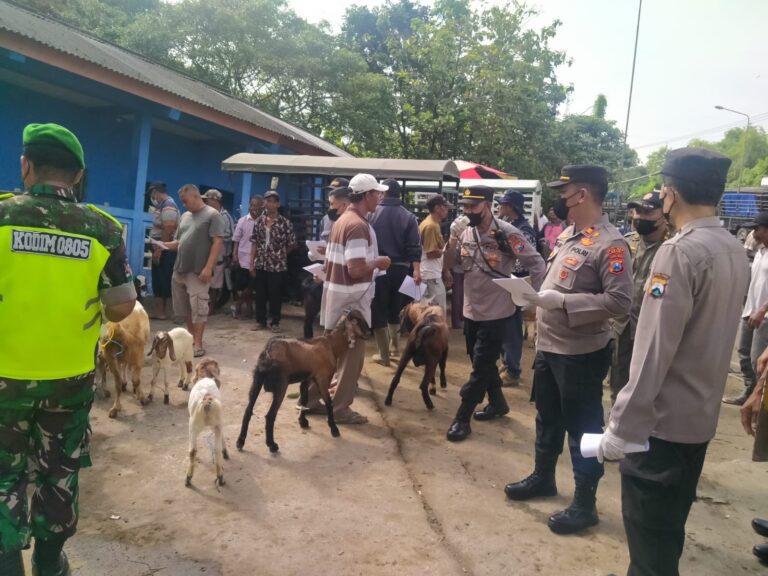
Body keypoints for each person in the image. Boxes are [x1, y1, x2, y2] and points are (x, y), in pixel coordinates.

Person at [601, 148, 749, 575]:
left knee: (650, 546)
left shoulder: (677, 253)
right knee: (666, 535)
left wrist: (621, 428)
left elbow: (651, 351)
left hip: (660, 431)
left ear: (669, 194)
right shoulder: (733, 249)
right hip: (698, 422)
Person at [0, 123, 137, 576]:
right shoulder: (104, 229)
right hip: (70, 380)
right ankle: (49, 561)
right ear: (77, 175)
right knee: (58, 471)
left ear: (26, 165)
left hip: (3, 380)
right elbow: (121, 306)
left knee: (4, 471)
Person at [505, 165, 633, 535]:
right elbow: (553, 287)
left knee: (583, 429)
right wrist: (532, 300)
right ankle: (543, 478)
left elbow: (621, 301)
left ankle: (585, 503)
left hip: (580, 352)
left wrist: (561, 304)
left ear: (581, 195)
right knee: (547, 417)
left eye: (564, 192)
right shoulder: (568, 237)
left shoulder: (611, 243)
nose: (559, 199)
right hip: (550, 346)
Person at [443, 185, 545, 442]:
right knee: (481, 362)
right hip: (471, 309)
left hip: (498, 310)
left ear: (488, 204)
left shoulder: (507, 233)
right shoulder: (464, 231)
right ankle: (498, 403)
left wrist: (532, 297)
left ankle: (462, 418)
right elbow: (451, 265)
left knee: (480, 367)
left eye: (473, 206)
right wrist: (452, 240)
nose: (468, 212)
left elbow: (537, 263)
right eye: (464, 207)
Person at [305, 173, 391, 424]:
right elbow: (355, 269)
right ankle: (341, 408)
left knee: (328, 353)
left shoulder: (343, 221)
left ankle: (310, 399)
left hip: (338, 298)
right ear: (366, 196)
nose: (379, 198)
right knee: (351, 356)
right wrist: (379, 262)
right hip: (351, 304)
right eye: (376, 193)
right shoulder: (357, 225)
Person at [609, 191, 668, 402]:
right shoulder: (626, 242)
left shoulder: (672, 248)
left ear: (664, 214)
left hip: (651, 328)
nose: (640, 217)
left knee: (645, 386)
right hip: (621, 325)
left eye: (648, 212)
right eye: (638, 211)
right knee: (618, 378)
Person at [368, 178, 422, 366]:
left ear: (383, 193)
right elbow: (414, 247)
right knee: (396, 308)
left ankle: (383, 355)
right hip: (401, 270)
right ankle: (395, 348)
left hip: (378, 269)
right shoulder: (409, 217)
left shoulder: (371, 215)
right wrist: (416, 270)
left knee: (378, 310)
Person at [167, 184, 224, 357]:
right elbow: (180, 242)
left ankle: (198, 344)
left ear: (195, 196)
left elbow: (217, 242)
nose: (184, 205)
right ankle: (191, 339)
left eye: (185, 201)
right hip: (180, 269)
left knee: (199, 309)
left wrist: (208, 267)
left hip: (199, 271)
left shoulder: (213, 215)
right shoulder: (184, 216)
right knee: (184, 309)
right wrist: (164, 246)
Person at [723, 211, 768, 405]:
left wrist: (762, 309)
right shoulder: (760, 252)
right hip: (751, 309)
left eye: (756, 229)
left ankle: (760, 400)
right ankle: (750, 393)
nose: (753, 234)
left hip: (764, 315)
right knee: (743, 352)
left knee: (757, 359)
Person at [497, 189, 537, 388]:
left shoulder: (522, 230)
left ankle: (512, 369)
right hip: (508, 281)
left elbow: (524, 262)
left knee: (512, 327)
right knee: (505, 326)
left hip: (517, 282)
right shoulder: (510, 226)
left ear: (511, 207)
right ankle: (506, 365)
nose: (499, 208)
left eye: (503, 204)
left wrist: (503, 255)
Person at [304, 182, 351, 339]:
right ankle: (309, 329)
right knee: (312, 295)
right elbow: (320, 241)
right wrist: (315, 252)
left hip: (341, 272)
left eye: (334, 195)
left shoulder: (351, 222)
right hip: (324, 267)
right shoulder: (326, 218)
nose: (331, 201)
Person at [249, 190, 296, 332]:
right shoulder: (259, 222)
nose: (268, 204)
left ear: (277, 204)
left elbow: (292, 243)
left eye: (272, 201)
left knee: (275, 294)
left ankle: (275, 322)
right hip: (261, 263)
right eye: (267, 201)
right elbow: (254, 242)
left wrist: (280, 254)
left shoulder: (285, 223)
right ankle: (260, 321)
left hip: (277, 266)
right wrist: (251, 262)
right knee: (260, 293)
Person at [148, 181, 179, 320]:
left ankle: (162, 312)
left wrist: (159, 250)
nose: (151, 197)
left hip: (164, 249)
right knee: (159, 279)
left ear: (155, 192)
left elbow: (169, 228)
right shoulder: (163, 205)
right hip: (161, 247)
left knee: (162, 279)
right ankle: (160, 312)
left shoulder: (168, 205)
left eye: (152, 193)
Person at [202, 189, 235, 314]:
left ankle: (211, 307)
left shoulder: (225, 216)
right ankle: (204, 306)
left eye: (208, 200)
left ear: (215, 200)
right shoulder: (207, 214)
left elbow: (230, 235)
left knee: (215, 283)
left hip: (220, 254)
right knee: (205, 281)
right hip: (206, 253)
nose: (206, 202)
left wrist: (215, 237)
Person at [230, 195, 263, 319]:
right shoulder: (243, 221)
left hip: (257, 260)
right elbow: (236, 240)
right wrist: (234, 255)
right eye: (253, 205)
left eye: (258, 206)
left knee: (251, 286)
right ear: (249, 206)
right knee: (243, 286)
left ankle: (237, 305)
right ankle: (249, 310)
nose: (255, 208)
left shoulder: (263, 222)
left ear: (262, 208)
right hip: (242, 259)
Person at [419, 194, 453, 312]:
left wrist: (445, 270)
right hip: (430, 276)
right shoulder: (431, 226)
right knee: (437, 313)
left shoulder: (430, 223)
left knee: (424, 312)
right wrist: (447, 248)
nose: (447, 209)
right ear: (438, 208)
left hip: (428, 274)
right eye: (445, 206)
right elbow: (431, 253)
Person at [448, 213, 469, 330]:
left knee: (459, 295)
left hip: (461, 267)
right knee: (458, 296)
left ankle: (459, 320)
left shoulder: (458, 225)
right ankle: (458, 321)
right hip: (460, 268)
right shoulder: (459, 226)